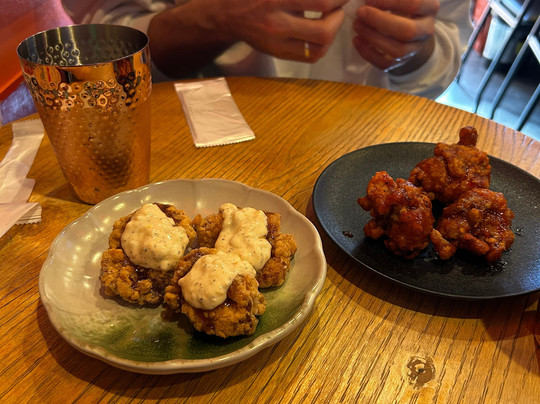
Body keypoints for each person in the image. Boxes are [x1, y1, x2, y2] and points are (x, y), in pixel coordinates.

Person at [62, 0, 472, 99]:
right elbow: (99, 48)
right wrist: (219, 17)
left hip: (371, 143)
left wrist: (415, 50)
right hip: (192, 143)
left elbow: (447, 47)